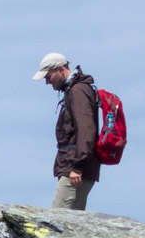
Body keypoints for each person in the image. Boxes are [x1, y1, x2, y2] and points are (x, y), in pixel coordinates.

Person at [32, 51, 99, 210]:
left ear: (60, 69)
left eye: (48, 76)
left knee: (56, 220)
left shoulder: (78, 91)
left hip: (75, 167)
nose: (47, 82)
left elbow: (86, 129)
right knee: (73, 223)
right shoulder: (75, 89)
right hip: (73, 164)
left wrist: (77, 167)